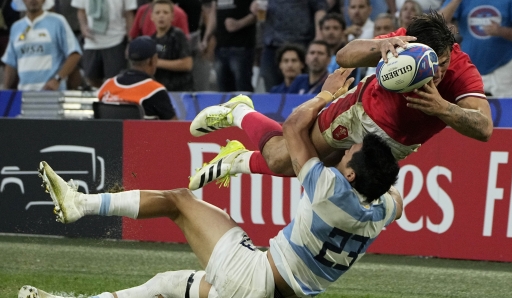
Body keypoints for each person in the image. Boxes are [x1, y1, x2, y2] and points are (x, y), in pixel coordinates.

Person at [21, 68, 402, 297]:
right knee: (167, 286)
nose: (346, 148)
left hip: (252, 279)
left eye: (350, 154)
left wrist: (325, 94)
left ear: (350, 174)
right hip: (271, 288)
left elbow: (292, 132)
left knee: (180, 200)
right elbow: (390, 180)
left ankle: (79, 204)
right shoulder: (383, 208)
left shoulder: (330, 191)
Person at [188, 11, 493, 188]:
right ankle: (239, 114)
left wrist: (443, 108)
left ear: (451, 51)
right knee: (286, 160)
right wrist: (381, 46)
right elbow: (344, 56)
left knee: (321, 182)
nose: (436, 71)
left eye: (441, 62)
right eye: (430, 63)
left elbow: (484, 128)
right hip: (359, 114)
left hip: (395, 145)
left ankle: (237, 155)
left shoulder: (462, 70)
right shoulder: (403, 41)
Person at [440, 0, 512, 98]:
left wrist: (500, 31)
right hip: (469, 69)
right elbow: (438, 22)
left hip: (505, 69)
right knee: (468, 111)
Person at [2, 0, 81, 91]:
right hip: (24, 94)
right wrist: (5, 89)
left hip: (52, 93)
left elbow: (75, 53)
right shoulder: (16, 27)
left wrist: (57, 80)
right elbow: (11, 62)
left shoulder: (58, 22)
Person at [97, 36, 176, 120]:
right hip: (142, 133)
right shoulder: (155, 90)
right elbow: (174, 127)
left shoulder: (107, 85)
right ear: (152, 60)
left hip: (108, 133)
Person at [255, 0, 327, 91]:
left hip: (300, 40)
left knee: (302, 82)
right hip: (272, 42)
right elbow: (259, 4)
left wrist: (319, 34)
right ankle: (275, 104)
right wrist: (255, 7)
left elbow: (320, 7)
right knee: (268, 79)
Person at [72, 0, 136, 88]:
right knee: (91, 77)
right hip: (92, 41)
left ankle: (111, 97)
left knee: (115, 79)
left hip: (116, 39)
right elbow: (81, 10)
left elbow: (129, 14)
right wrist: (83, 27)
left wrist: (130, 41)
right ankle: (101, 95)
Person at [209, 0, 257, 92]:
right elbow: (213, 13)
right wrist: (207, 37)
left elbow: (258, 12)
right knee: (222, 90)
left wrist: (239, 23)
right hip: (221, 46)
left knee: (242, 90)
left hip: (241, 46)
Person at [150, 0, 193, 92]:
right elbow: (163, 48)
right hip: (160, 91)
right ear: (152, 17)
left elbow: (187, 64)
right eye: (157, 12)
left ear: (172, 17)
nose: (161, 16)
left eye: (165, 12)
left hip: (180, 91)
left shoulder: (177, 35)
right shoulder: (152, 40)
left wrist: (157, 63)